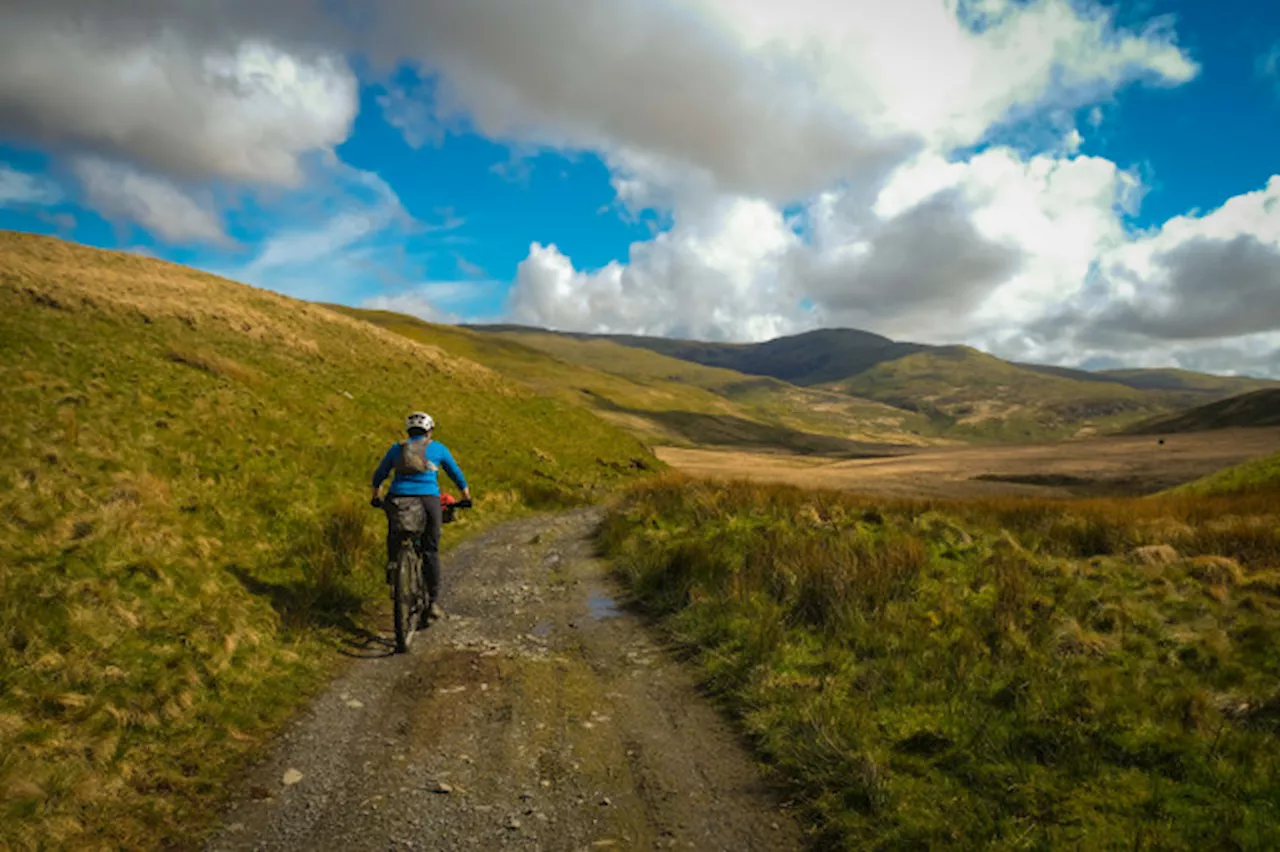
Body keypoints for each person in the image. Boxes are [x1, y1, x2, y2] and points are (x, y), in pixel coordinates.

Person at [371, 411, 470, 623]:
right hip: (428, 500)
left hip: (398, 498)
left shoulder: (397, 449)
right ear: (429, 431)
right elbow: (455, 473)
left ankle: (393, 565)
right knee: (430, 550)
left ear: (409, 431)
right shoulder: (438, 448)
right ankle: (432, 603)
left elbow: (380, 474)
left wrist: (376, 496)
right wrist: (465, 496)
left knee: (396, 533)